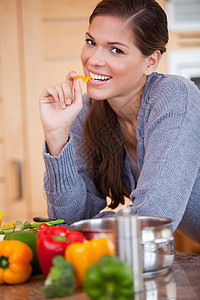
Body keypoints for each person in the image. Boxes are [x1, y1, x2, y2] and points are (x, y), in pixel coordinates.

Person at [39, 0, 200, 244]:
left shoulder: (175, 97)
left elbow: (153, 218)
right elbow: (69, 222)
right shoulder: (87, 112)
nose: (94, 60)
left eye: (116, 49)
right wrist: (56, 134)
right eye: (91, 42)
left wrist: (87, 232)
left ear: (151, 62)